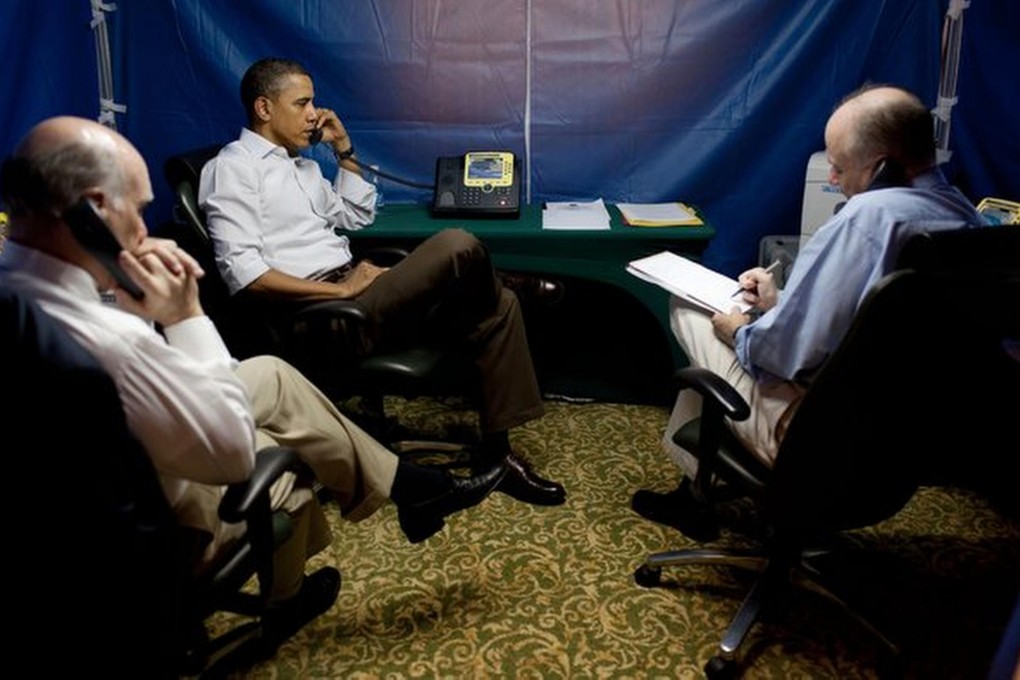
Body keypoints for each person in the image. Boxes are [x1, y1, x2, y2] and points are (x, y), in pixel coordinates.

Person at [0, 116, 509, 643]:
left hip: (97, 473)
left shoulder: (23, 292)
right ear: (92, 211)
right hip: (138, 526)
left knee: (271, 377)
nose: (143, 232)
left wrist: (345, 154)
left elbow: (355, 213)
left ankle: (409, 488)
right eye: (138, 209)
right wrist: (185, 316)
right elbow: (232, 452)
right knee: (285, 455)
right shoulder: (101, 339)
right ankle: (288, 600)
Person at [198, 57, 565, 507]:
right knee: (456, 243)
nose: (315, 113)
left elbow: (355, 215)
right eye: (303, 103)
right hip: (323, 317)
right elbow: (245, 275)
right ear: (264, 108)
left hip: (359, 290)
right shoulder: (232, 168)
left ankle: (498, 455)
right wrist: (342, 290)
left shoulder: (304, 168)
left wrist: (343, 151)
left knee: (500, 305)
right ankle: (508, 279)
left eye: (313, 102)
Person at [632, 84, 983, 534]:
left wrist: (741, 328)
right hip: (901, 451)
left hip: (815, 441)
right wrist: (781, 302)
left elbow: (783, 354)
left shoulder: (865, 218)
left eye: (837, 166)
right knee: (725, 353)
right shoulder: (964, 218)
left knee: (690, 306)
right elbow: (874, 328)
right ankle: (691, 496)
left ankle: (695, 498)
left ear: (882, 167)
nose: (832, 179)